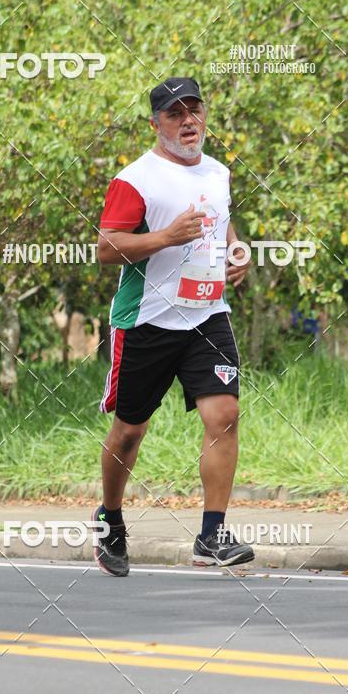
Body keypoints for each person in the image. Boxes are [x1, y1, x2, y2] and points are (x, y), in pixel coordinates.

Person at [92, 77, 255, 576]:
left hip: (207, 316)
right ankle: (111, 520)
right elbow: (105, 248)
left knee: (224, 414)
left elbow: (221, 221)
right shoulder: (135, 179)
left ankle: (211, 534)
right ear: (155, 123)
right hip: (147, 322)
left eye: (195, 110)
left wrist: (237, 249)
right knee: (128, 433)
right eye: (175, 113)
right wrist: (163, 237)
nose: (188, 121)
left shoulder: (218, 172)